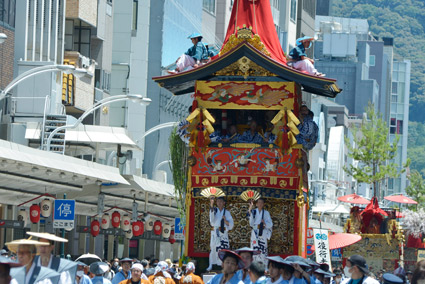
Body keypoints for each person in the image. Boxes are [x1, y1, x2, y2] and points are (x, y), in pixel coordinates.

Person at [208, 197, 234, 271]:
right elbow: (211, 221)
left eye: (221, 201)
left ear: (224, 203)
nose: (219, 203)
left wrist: (225, 221)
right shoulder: (214, 210)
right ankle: (211, 264)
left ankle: (223, 265)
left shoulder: (227, 212)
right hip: (215, 232)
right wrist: (211, 205)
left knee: (223, 249)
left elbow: (231, 225)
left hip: (223, 232)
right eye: (218, 201)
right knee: (213, 248)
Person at [248, 198, 273, 264]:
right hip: (255, 232)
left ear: (263, 204)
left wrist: (265, 223)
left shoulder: (266, 213)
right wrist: (250, 208)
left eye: (261, 202)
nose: (260, 204)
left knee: (263, 248)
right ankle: (254, 264)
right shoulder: (254, 211)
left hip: (263, 231)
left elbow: (270, 224)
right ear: (256, 204)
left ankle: (264, 264)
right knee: (255, 247)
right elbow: (251, 223)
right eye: (259, 202)